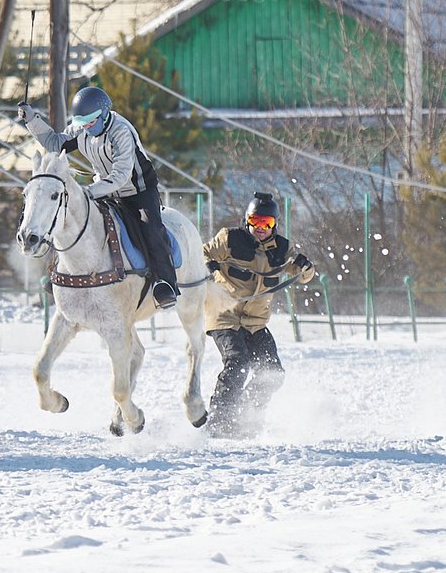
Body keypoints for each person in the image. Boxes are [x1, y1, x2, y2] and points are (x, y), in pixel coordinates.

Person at [19, 86, 178, 309]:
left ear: (104, 114)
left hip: (138, 192)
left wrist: (89, 192)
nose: (87, 128)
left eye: (91, 123)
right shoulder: (82, 127)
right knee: (70, 219)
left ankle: (165, 283)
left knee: (150, 229)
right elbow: (56, 143)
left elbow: (121, 175)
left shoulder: (121, 131)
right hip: (105, 191)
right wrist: (32, 120)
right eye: (83, 123)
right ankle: (58, 273)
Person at [201, 192, 315, 438]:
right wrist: (209, 266)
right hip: (225, 316)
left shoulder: (282, 249)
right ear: (247, 221)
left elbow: (301, 273)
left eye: (267, 223)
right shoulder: (230, 238)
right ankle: (220, 422)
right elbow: (203, 253)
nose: (260, 228)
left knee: (273, 373)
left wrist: (307, 268)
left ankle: (247, 419)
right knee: (238, 363)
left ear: (274, 224)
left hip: (255, 323)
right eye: (256, 222)